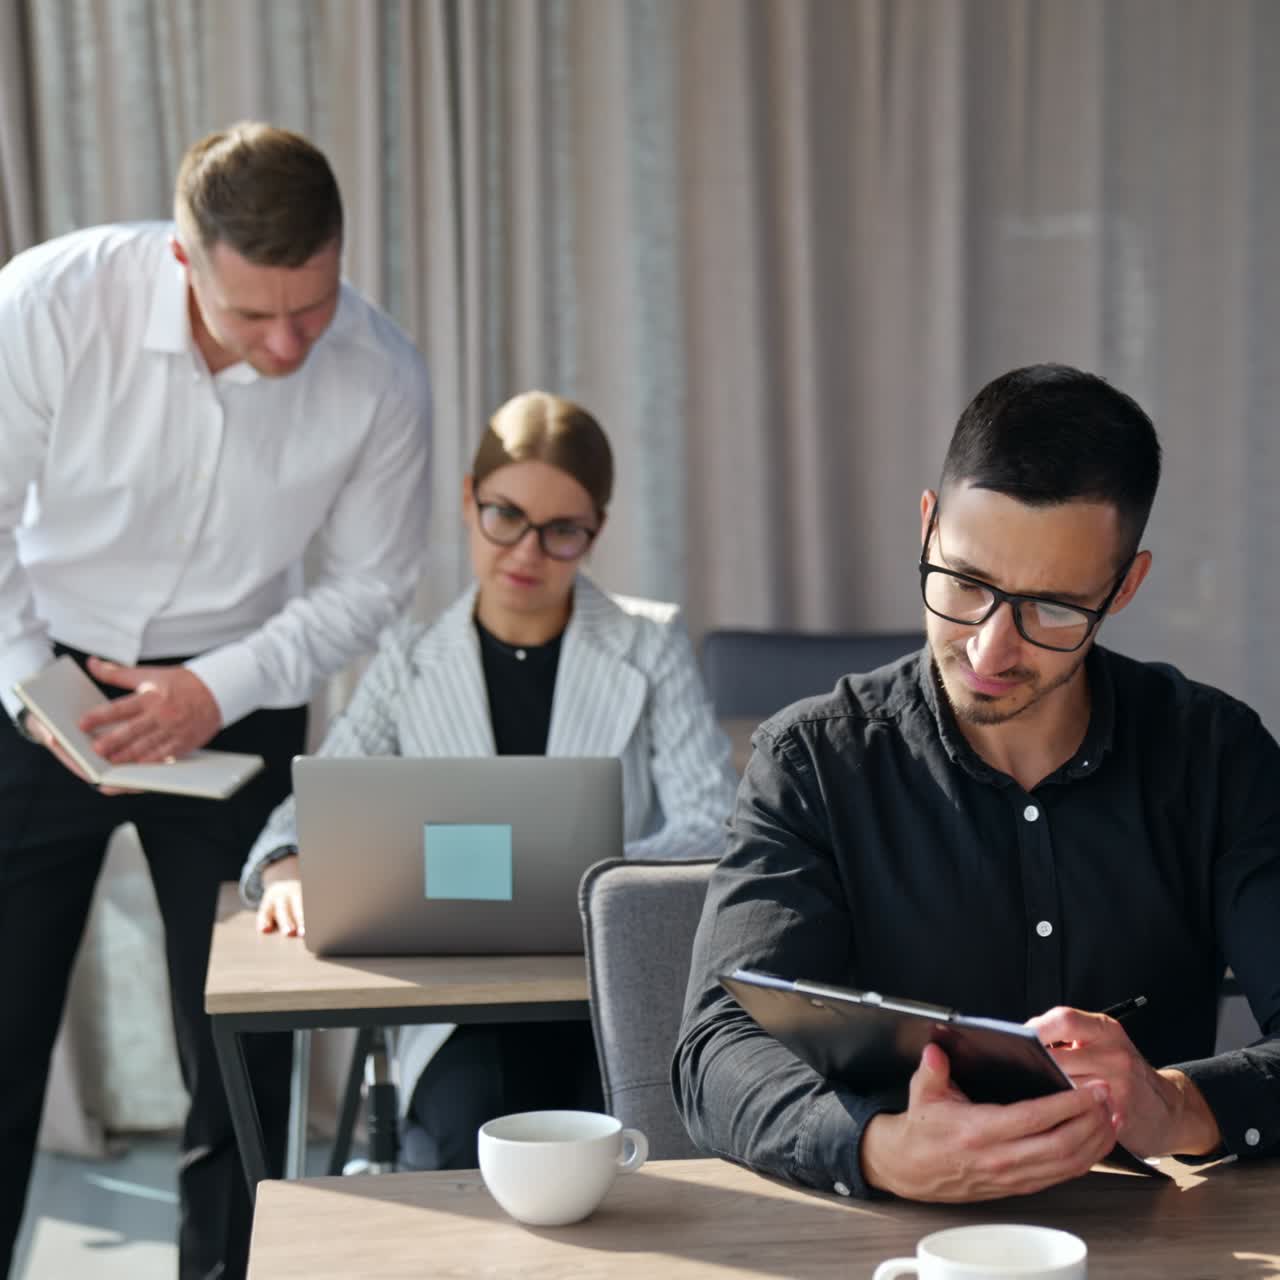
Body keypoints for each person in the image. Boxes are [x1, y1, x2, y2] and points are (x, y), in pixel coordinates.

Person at [674, 363, 1280, 1203]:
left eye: (1053, 609)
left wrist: (1177, 1105)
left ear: (1125, 588)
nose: (992, 650)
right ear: (927, 529)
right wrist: (878, 1150)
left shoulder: (1216, 755)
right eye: (964, 584)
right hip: (891, 1246)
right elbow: (714, 1051)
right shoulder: (813, 761)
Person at [0, 122, 431, 1279]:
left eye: (314, 304)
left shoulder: (381, 370)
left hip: (241, 699)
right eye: (256, 315)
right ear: (184, 258)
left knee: (242, 1055)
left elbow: (372, 586)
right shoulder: (47, 302)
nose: (290, 341)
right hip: (39, 688)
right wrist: (41, 689)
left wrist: (211, 689)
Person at [242, 389, 737, 1170]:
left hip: (609, 996)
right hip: (458, 1011)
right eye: (505, 516)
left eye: (561, 531)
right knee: (472, 1147)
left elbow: (714, 823)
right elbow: (305, 810)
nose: (527, 554)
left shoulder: (650, 646)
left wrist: (588, 894)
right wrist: (285, 867)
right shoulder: (408, 662)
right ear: (469, 503)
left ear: (595, 532)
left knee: (632, 1163)